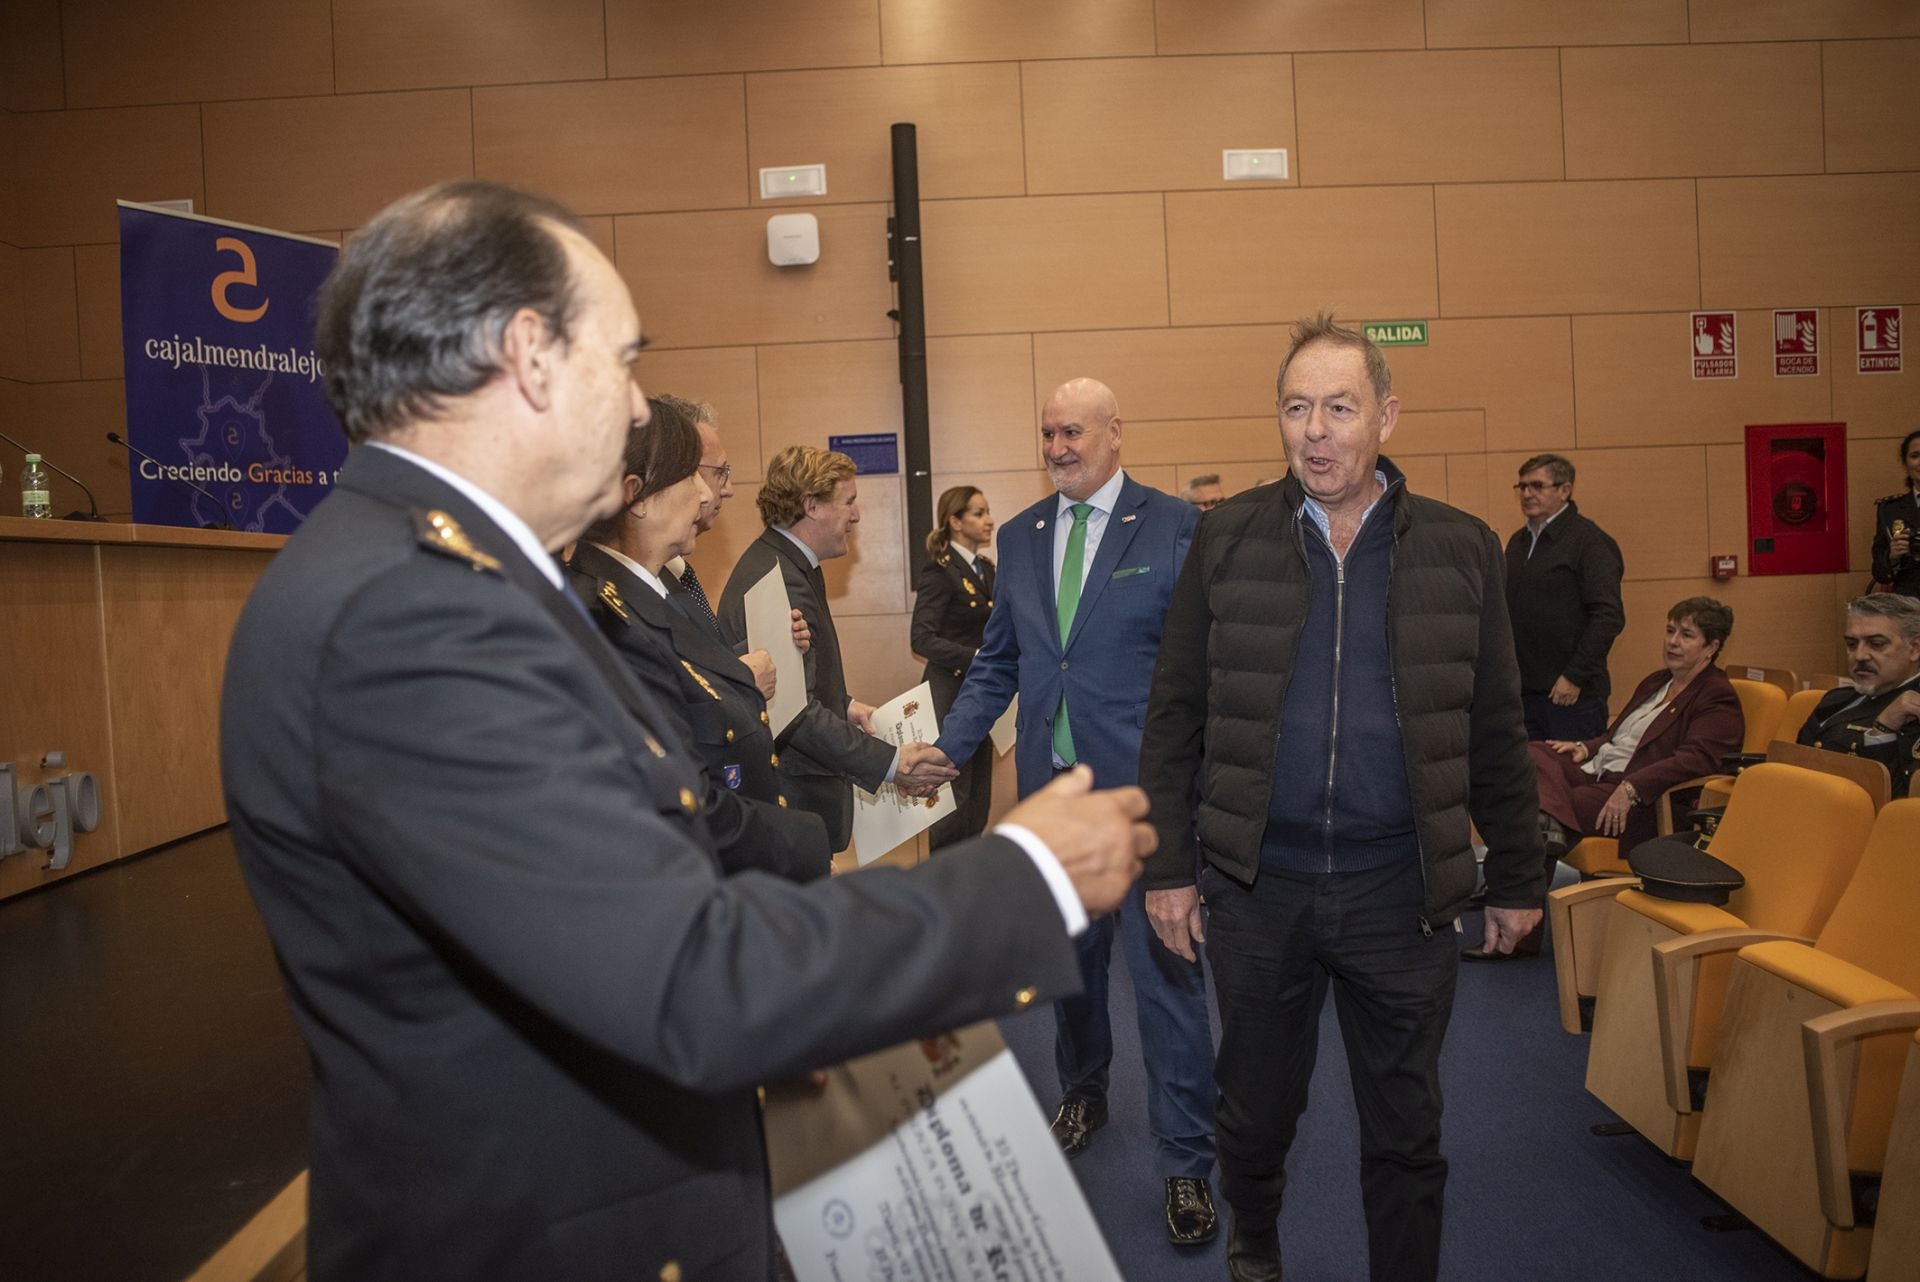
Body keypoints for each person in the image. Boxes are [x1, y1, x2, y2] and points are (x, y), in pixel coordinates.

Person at [219, 179, 1156, 1282]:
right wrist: (1027, 874)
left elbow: (619, 912)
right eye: (622, 363)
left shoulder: (465, 580)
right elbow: (686, 979)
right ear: (526, 353)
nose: (633, 413)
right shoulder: (414, 614)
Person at [1138, 313, 1544, 1282]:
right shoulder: (1227, 537)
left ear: (1386, 417)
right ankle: (1258, 1238)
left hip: (1399, 891)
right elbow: (1176, 714)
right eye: (1295, 407)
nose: (1314, 430)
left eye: (1338, 406)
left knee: (1408, 1125)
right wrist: (1167, 867)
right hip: (1256, 885)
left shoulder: (1463, 547)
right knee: (1256, 1108)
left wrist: (1522, 872)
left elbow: (1493, 725)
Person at [903, 378, 1220, 1248]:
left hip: (1148, 801)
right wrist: (953, 746)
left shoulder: (1174, 527)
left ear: (1117, 433)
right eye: (1047, 433)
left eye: (1073, 430)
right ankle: (1082, 1094)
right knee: (1070, 970)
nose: (1058, 447)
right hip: (1052, 800)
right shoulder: (1021, 535)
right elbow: (998, 663)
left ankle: (1188, 1162)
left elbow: (1201, 669)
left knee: (1167, 986)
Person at [567, 395, 831, 882]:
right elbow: (680, 802)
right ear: (638, 496)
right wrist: (805, 840)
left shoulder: (657, 593)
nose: (706, 496)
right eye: (689, 476)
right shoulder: (604, 616)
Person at [716, 444, 949, 852]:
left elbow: (791, 683)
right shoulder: (781, 580)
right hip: (792, 800)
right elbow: (793, 715)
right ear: (811, 505)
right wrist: (892, 764)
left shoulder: (787, 566)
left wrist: (845, 704)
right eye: (849, 502)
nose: (856, 515)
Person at [1500, 598, 1744, 959]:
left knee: (1544, 807)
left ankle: (1515, 926)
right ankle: (1542, 842)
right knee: (1531, 753)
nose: (1673, 641)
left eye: (1687, 635)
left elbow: (1700, 759)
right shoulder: (1656, 682)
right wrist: (1586, 746)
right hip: (1596, 771)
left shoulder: (1717, 695)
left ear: (1712, 646)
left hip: (1639, 799)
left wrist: (1633, 787)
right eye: (1670, 630)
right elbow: (1617, 734)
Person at [1504, 452, 1625, 741]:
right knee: (1529, 782)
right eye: (1522, 487)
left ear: (1564, 490)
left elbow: (1608, 616)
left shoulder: (1590, 542)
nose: (1527, 493)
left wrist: (1574, 676)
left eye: (1536, 486)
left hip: (1571, 696)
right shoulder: (1518, 543)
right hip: (1524, 693)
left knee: (1569, 781)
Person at [911, 485, 998, 849]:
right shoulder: (941, 571)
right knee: (952, 800)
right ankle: (943, 890)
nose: (989, 520)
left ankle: (969, 884)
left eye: (987, 511)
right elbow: (921, 639)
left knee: (978, 798)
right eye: (978, 513)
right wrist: (976, 658)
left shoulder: (987, 570)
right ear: (955, 522)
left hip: (981, 694)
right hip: (948, 695)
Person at [1797, 593, 1920, 796]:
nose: (1860, 656)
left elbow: (1902, 810)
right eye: (1852, 644)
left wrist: (1883, 731)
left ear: (1915, 648)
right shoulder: (1835, 700)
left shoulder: (1912, 709)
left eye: (1876, 644)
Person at [1870, 429, 1920, 598]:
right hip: (1909, 606)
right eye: (1915, 456)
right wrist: (1892, 557)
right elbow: (1879, 573)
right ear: (1905, 465)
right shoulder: (1889, 509)